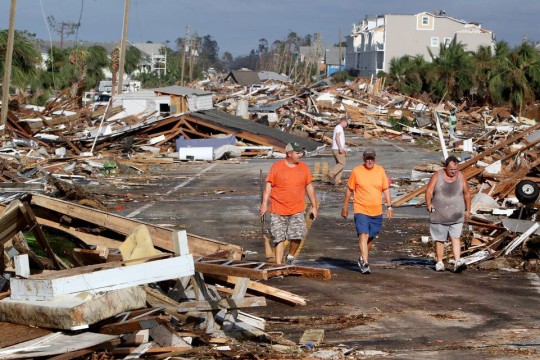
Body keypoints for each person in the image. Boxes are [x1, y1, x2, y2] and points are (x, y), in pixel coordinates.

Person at [260, 142, 318, 265]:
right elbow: (268, 186)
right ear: (289, 153)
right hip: (277, 209)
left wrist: (314, 206)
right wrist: (264, 204)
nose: (300, 155)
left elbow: (309, 186)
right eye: (297, 153)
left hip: (297, 209)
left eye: (301, 152)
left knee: (297, 236)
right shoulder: (277, 167)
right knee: (279, 238)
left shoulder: (303, 168)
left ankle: (290, 257)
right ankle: (278, 265)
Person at [341, 148, 393, 274]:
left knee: (371, 236)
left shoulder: (380, 171)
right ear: (363, 159)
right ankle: (365, 263)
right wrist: (345, 207)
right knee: (363, 234)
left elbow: (385, 189)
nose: (370, 161)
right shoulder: (357, 171)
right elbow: (349, 190)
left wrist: (389, 206)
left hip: (376, 210)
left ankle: (362, 257)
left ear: (375, 158)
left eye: (372, 158)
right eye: (367, 158)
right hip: (361, 208)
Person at [425, 155, 471, 273]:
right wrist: (429, 203)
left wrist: (468, 210)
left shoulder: (461, 176)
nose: (453, 172)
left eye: (455, 169)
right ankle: (440, 262)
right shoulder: (437, 175)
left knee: (455, 237)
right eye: (451, 169)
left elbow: (467, 194)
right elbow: (429, 190)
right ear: (445, 167)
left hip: (456, 214)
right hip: (439, 214)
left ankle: (457, 261)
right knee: (440, 239)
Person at [324, 118, 349, 185]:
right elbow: (337, 138)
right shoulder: (339, 127)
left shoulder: (339, 127)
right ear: (343, 122)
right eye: (347, 123)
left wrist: (343, 148)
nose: (347, 125)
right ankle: (331, 174)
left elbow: (340, 139)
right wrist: (340, 148)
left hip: (337, 148)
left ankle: (338, 180)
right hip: (337, 148)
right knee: (342, 163)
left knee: (340, 164)